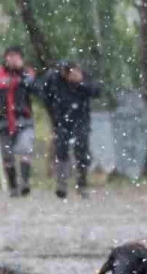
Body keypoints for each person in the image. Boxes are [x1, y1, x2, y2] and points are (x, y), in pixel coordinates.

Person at [39, 60, 102, 199]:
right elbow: (44, 94)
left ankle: (82, 183)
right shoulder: (53, 78)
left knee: (81, 146)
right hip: (61, 118)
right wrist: (53, 112)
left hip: (81, 117)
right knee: (61, 149)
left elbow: (96, 91)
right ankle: (61, 184)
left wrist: (81, 83)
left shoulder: (84, 76)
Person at [0, 45, 38, 196]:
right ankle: (13, 185)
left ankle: (25, 182)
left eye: (16, 56)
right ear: (5, 57)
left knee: (25, 150)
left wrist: (22, 74)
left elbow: (35, 89)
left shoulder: (28, 73)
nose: (13, 59)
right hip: (3, 121)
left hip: (24, 119)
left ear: (21, 58)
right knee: (7, 156)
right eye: (10, 55)